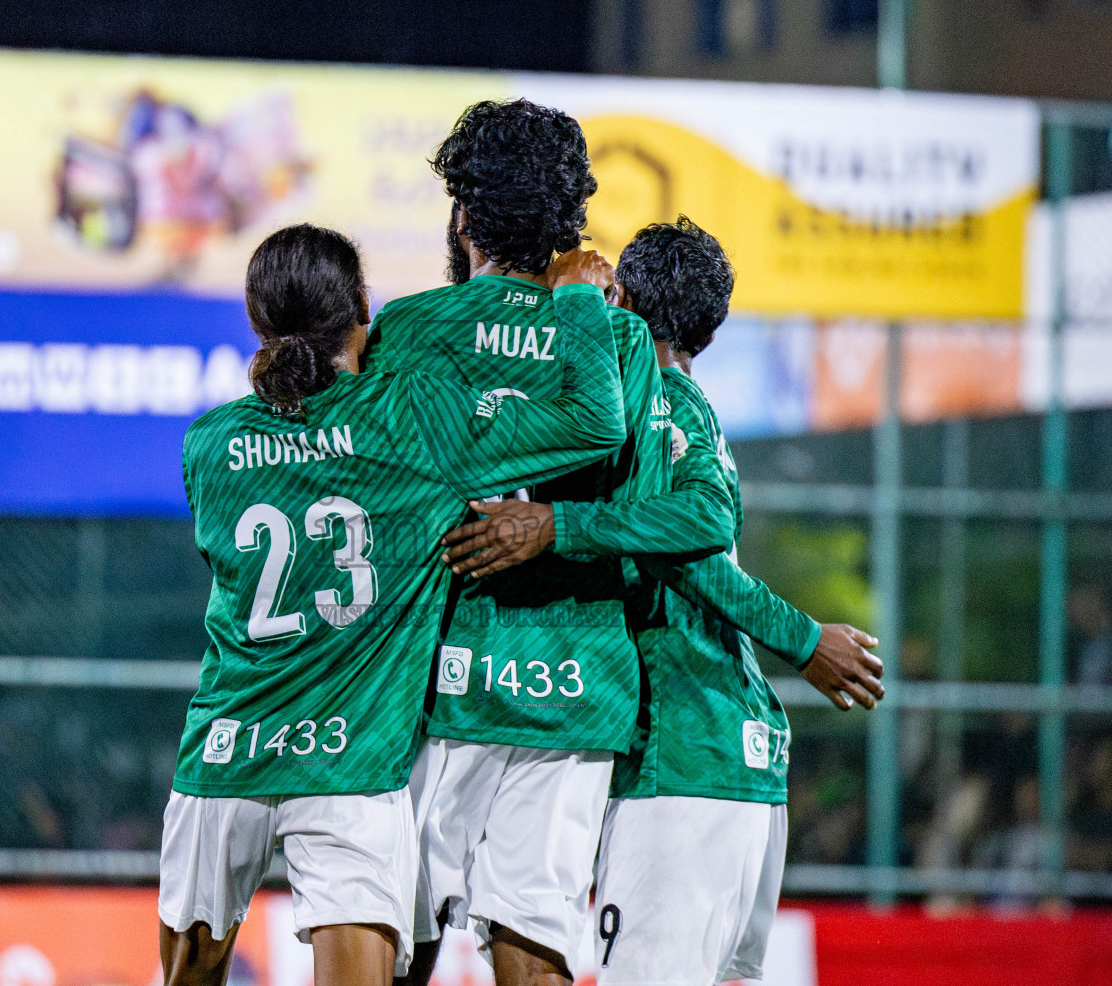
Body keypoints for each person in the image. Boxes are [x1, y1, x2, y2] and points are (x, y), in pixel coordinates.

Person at [159, 223, 625, 986]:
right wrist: (574, 300)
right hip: (350, 765)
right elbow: (592, 423)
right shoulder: (414, 425)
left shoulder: (207, 447)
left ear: (257, 323)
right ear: (365, 312)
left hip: (225, 754)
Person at [439, 218, 884, 985]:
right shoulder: (693, 409)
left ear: (625, 297)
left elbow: (699, 544)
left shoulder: (655, 406)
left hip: (681, 760)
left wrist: (804, 639)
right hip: (734, 766)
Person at [367, 101, 733, 986]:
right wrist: (564, 526)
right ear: (574, 221)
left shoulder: (411, 330)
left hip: (437, 681)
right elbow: (661, 521)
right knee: (535, 938)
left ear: (463, 215)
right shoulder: (618, 339)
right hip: (576, 685)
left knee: (389, 932)